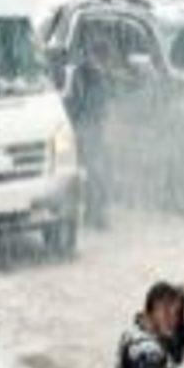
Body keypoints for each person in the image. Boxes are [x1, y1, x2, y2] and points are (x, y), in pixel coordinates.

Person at [66, 35, 118, 229]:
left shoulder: (84, 73)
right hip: (89, 129)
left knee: (92, 172)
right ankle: (96, 215)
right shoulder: (91, 75)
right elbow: (89, 104)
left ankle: (92, 213)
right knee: (96, 172)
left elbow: (79, 102)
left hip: (88, 128)